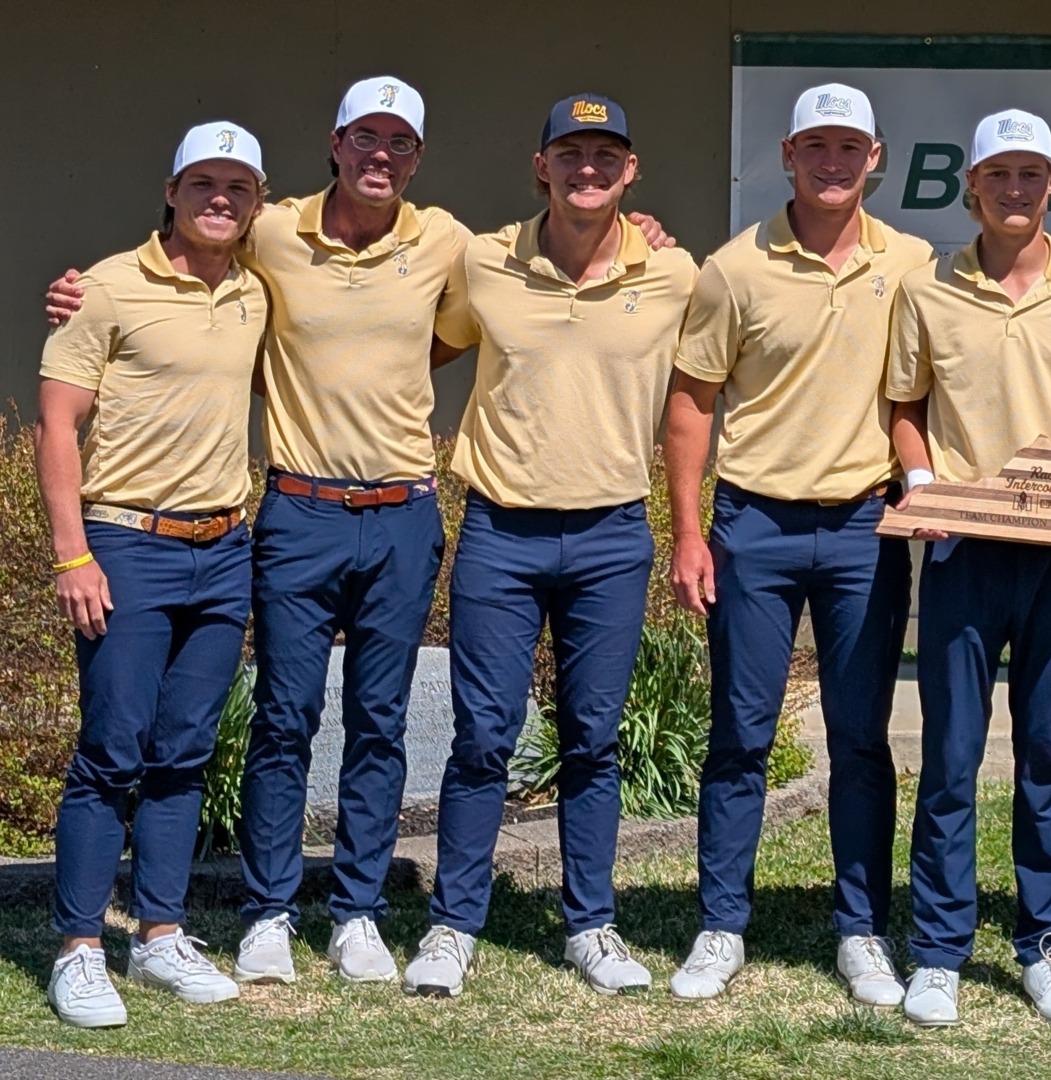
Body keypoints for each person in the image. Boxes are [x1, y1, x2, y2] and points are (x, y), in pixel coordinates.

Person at [40, 76, 678, 987]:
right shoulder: (268, 228)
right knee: (284, 719)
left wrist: (645, 228)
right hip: (297, 513)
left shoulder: (448, 242)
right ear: (335, 144)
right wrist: (80, 291)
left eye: (400, 143)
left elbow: (460, 333)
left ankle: (359, 912)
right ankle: (264, 913)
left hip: (403, 514)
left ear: (417, 157)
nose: (382, 155)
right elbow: (181, 254)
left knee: (380, 723)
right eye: (365, 138)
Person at [663, 84, 1051, 1006]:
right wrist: (689, 531)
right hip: (757, 521)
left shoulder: (915, 264)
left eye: (851, 148)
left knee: (864, 738)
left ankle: (863, 926)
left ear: (876, 158)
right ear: (789, 154)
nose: (834, 163)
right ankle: (721, 925)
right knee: (740, 736)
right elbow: (693, 401)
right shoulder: (736, 268)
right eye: (817, 146)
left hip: (862, 529)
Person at [399, 93, 697, 999]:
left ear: (631, 170)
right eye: (571, 154)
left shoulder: (675, 273)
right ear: (542, 167)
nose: (588, 170)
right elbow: (414, 343)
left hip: (611, 536)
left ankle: (591, 925)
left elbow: (706, 388)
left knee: (592, 740)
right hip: (500, 529)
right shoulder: (485, 262)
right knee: (483, 738)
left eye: (607, 156)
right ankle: (453, 924)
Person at [885, 108, 1051, 1027]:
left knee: (1046, 754)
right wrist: (924, 486)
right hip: (963, 553)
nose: (1016, 189)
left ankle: (1045, 944)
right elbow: (906, 404)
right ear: (972, 186)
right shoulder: (927, 289)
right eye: (1000, 174)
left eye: (1032, 174)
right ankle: (941, 950)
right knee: (950, 757)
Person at [35, 122, 270, 1028]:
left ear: (257, 201)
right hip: (127, 545)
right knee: (111, 754)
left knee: (184, 756)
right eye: (203, 182)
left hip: (224, 549)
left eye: (239, 186)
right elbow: (58, 427)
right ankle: (80, 948)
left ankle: (162, 935)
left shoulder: (258, 288)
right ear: (171, 190)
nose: (221, 198)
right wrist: (72, 554)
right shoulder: (104, 287)